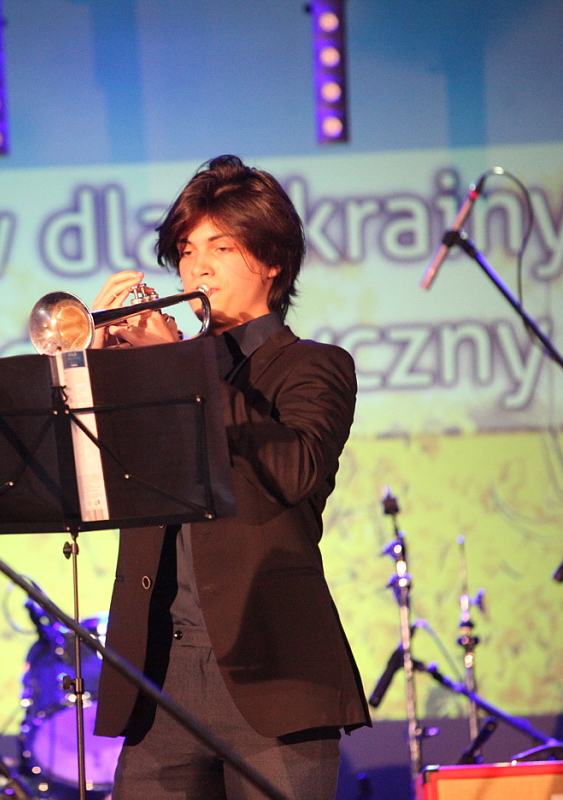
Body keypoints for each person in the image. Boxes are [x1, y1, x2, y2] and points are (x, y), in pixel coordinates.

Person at [89, 155, 370, 800]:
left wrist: (179, 366)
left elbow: (294, 471)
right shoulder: (161, 372)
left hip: (273, 669)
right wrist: (98, 369)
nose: (198, 268)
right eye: (188, 251)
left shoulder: (314, 366)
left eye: (221, 247)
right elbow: (95, 481)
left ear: (272, 261)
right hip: (157, 674)